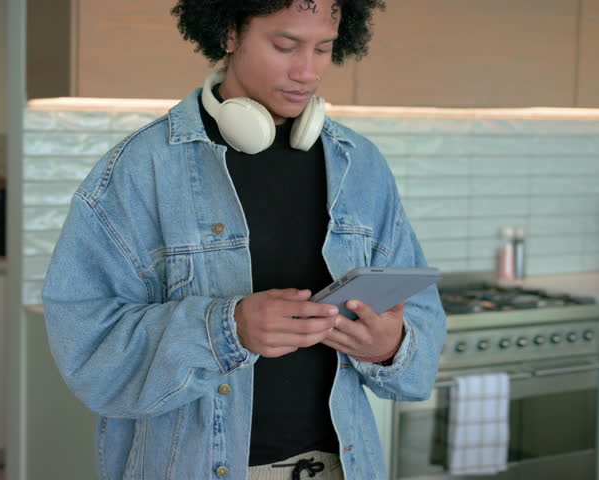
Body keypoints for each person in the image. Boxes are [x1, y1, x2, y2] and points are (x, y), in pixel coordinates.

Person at [41, 1, 446, 478]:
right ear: (230, 32)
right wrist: (226, 329)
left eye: (323, 49)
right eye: (285, 45)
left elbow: (420, 339)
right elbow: (90, 357)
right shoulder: (139, 169)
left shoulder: (362, 166)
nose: (307, 71)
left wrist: (388, 346)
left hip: (340, 468)